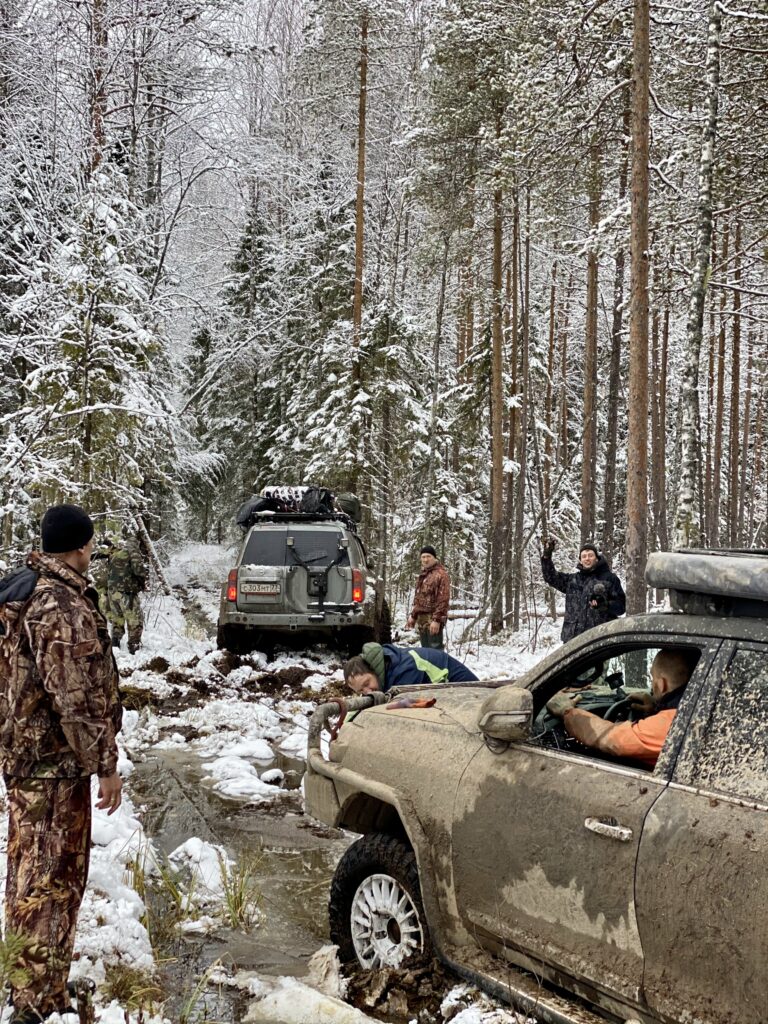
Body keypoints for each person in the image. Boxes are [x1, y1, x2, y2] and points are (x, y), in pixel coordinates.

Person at [0, 504, 123, 1024]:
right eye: (90, 544)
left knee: (29, 872)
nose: (92, 552)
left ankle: (31, 982)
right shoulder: (56, 603)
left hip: (30, 759)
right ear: (79, 546)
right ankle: (35, 1001)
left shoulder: (22, 590)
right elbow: (72, 695)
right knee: (52, 878)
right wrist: (106, 764)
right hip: (53, 766)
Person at [545, 648, 697, 769]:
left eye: (652, 679)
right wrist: (656, 708)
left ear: (661, 684)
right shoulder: (696, 709)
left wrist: (567, 711)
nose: (652, 685)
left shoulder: (675, 724)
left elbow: (611, 738)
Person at [541, 538, 625, 642]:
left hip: (599, 639)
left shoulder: (609, 579)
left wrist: (605, 605)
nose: (587, 558)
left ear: (597, 558)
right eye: (584, 556)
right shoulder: (572, 580)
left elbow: (621, 607)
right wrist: (546, 557)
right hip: (572, 641)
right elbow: (551, 577)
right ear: (580, 560)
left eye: (590, 555)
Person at [344, 641, 477, 695]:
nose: (368, 692)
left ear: (374, 669)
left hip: (469, 691)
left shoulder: (404, 671)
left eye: (367, 683)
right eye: (361, 691)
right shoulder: (387, 666)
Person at [104, 525, 147, 653]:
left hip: (112, 591)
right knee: (135, 619)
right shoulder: (132, 550)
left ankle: (115, 643)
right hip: (127, 592)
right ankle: (134, 646)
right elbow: (138, 569)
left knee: (118, 618)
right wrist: (142, 583)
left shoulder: (116, 553)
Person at [406, 545, 450, 650]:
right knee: (425, 652)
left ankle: (439, 667)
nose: (425, 560)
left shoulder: (441, 575)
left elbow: (443, 599)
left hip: (432, 619)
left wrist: (437, 620)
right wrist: (413, 615)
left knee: (435, 651)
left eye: (428, 556)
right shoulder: (423, 575)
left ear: (434, 558)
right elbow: (419, 598)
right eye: (423, 557)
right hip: (422, 620)